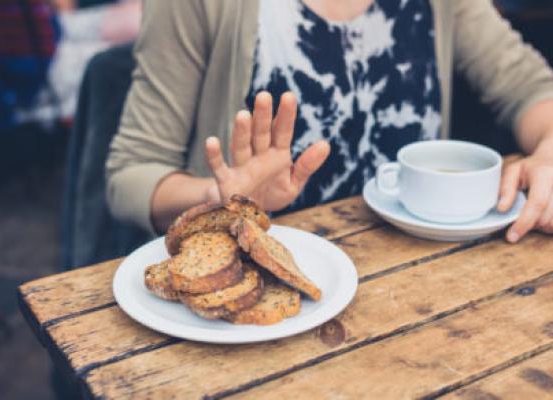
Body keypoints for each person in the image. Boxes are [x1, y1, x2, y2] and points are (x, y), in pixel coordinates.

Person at [106, 0, 553, 244]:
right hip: (262, 293)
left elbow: (530, 87)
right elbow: (131, 175)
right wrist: (216, 195)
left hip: (418, 277)